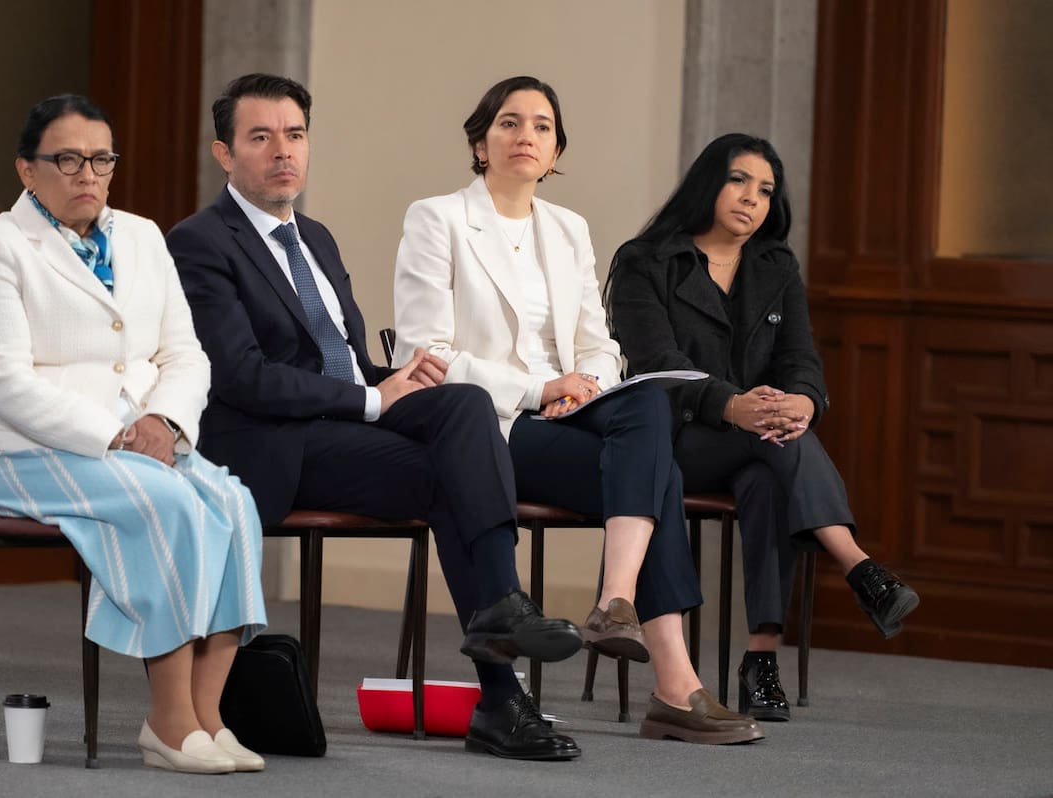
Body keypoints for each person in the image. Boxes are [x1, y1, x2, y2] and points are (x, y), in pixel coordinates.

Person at [165, 73, 584, 762]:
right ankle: (502, 687)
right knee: (452, 473)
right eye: (261, 137)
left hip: (342, 425)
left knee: (464, 403)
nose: (283, 152)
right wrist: (369, 399)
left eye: (295, 135)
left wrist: (387, 379)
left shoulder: (318, 240)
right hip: (275, 446)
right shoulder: (200, 242)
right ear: (223, 152)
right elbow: (244, 377)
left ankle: (501, 625)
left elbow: (340, 357)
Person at [392, 76, 763, 746]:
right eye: (509, 123)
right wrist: (539, 390)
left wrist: (585, 385)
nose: (525, 136)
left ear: (557, 146)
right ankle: (674, 686)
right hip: (493, 425)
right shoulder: (437, 217)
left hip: (569, 411)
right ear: (481, 141)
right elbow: (428, 355)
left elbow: (600, 344)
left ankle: (615, 600)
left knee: (645, 401)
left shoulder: (568, 229)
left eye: (541, 125)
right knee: (662, 476)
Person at [0, 95, 269, 774]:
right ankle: (167, 721)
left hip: (147, 440)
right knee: (174, 505)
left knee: (236, 505)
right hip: (35, 451)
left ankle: (209, 718)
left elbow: (185, 354)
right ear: (27, 170)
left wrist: (163, 420)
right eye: (67, 159)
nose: (87, 174)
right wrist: (118, 433)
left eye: (100, 159)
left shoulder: (142, 235)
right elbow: (5, 385)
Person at [606, 132, 920, 721]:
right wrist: (733, 406)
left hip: (758, 440)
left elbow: (800, 357)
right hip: (672, 441)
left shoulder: (775, 266)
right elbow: (656, 368)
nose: (753, 198)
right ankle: (858, 566)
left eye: (766, 190)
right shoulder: (646, 262)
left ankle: (762, 658)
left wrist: (802, 400)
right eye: (739, 180)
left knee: (768, 473)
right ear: (708, 183)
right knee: (768, 439)